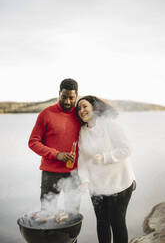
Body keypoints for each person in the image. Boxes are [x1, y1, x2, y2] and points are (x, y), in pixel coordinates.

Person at [76, 95, 136, 243]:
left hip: (119, 183)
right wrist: (85, 180)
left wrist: (105, 157)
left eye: (84, 106)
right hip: (97, 187)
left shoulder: (110, 125)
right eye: (79, 108)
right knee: (102, 223)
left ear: (94, 107)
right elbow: (82, 160)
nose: (81, 110)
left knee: (117, 222)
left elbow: (127, 149)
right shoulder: (82, 132)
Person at [28, 78, 81, 212]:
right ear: (59, 93)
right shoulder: (46, 114)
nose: (67, 101)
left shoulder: (80, 115)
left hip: (74, 173)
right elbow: (33, 142)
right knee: (47, 213)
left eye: (71, 98)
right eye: (64, 97)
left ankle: (71, 234)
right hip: (50, 174)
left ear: (77, 96)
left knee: (72, 214)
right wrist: (57, 155)